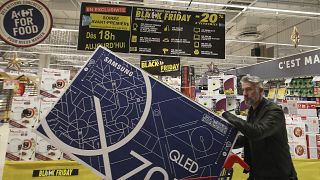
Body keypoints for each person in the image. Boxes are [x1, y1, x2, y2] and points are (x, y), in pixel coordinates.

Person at [222, 75, 297, 180]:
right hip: (259, 173)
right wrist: (226, 142)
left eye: (249, 89)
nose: (244, 94)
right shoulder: (252, 111)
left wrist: (227, 115)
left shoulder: (274, 112)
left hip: (278, 175)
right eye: (243, 90)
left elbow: (257, 132)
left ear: (260, 91)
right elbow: (248, 137)